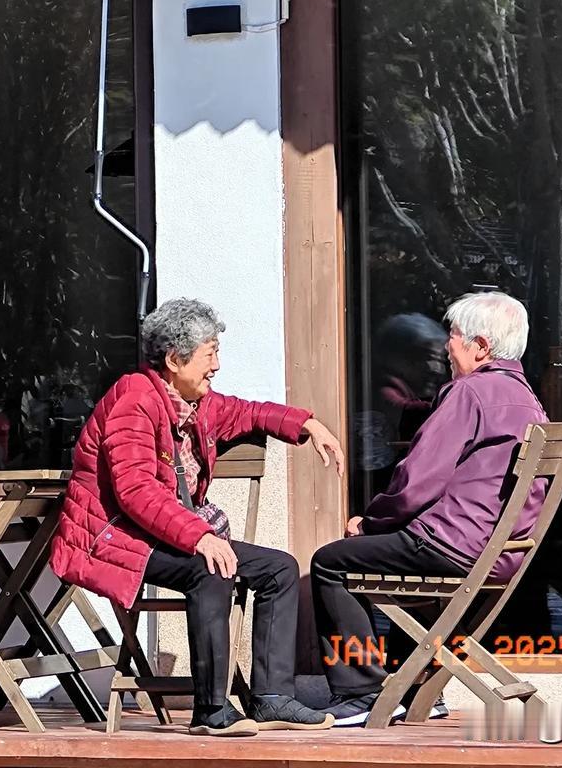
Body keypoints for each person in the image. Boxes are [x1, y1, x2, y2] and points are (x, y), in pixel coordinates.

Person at [49, 298, 345, 737]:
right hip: (116, 539)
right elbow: (136, 491)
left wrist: (307, 425)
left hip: (164, 534)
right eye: (210, 353)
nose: (217, 365)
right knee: (210, 569)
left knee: (278, 568)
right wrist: (199, 536)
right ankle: (210, 711)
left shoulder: (192, 402)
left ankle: (271, 698)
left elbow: (248, 412)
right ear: (174, 359)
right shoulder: (134, 400)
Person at [311, 291, 548, 726]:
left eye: (454, 335)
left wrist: (371, 521)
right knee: (409, 580)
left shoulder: (470, 392)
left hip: (453, 546)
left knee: (330, 563)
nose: (446, 346)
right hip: (496, 553)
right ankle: (416, 687)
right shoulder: (529, 401)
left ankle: (361, 690)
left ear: (481, 346)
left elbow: (417, 482)